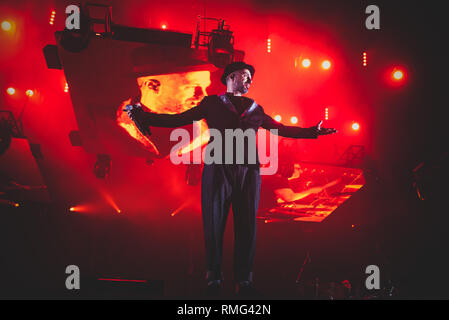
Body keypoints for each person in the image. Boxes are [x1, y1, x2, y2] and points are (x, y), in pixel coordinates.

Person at [127, 61, 337, 296]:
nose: (249, 81)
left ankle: (244, 279)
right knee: (214, 222)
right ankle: (213, 277)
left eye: (250, 78)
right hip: (218, 168)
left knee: (247, 224)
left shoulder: (255, 109)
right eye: (245, 76)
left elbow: (282, 129)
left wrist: (311, 132)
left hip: (249, 171)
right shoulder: (212, 103)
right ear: (231, 77)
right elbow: (178, 119)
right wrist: (144, 116)